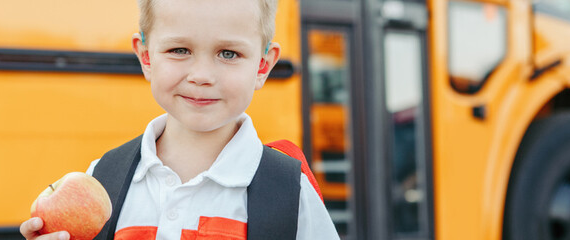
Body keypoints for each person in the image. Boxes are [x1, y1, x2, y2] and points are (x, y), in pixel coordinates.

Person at [20, 0, 339, 239]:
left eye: (228, 53)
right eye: (179, 50)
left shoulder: (289, 191)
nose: (201, 76)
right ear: (145, 56)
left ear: (262, 65)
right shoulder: (102, 179)